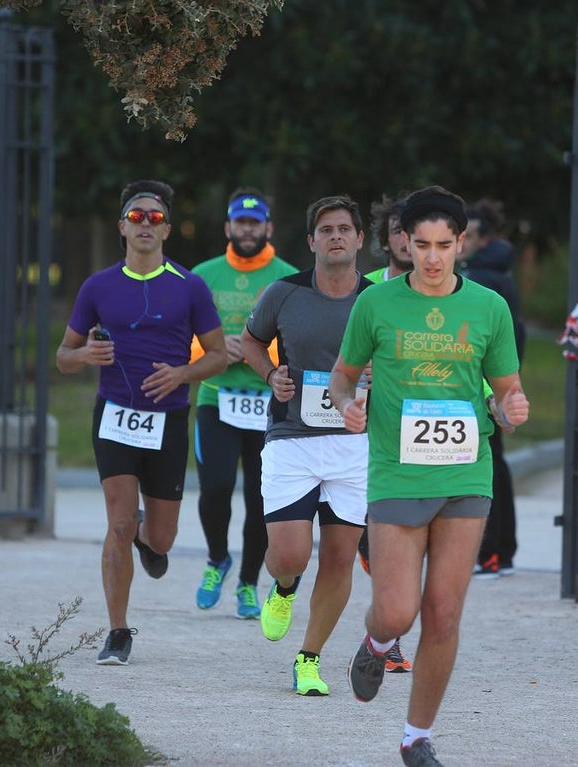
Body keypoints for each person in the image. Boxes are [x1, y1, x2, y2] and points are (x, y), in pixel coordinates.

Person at [330, 185, 529, 766]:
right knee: (397, 612)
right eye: (423, 245)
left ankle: (416, 736)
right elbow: (343, 377)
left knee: (443, 613)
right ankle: (375, 641)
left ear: (462, 243)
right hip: (397, 473)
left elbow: (506, 392)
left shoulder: (488, 308)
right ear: (404, 244)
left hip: (467, 472)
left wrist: (510, 410)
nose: (434, 257)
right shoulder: (377, 304)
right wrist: (347, 404)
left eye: (445, 244)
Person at [56, 180, 227, 666]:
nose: (146, 224)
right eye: (137, 217)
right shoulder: (99, 286)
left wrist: (182, 373)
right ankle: (117, 631)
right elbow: (62, 357)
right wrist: (85, 354)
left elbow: (217, 356)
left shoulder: (189, 285)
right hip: (114, 415)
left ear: (168, 229)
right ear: (122, 227)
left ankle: (145, 536)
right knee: (118, 521)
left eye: (155, 218)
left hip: (168, 419)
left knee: (162, 537)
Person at [240, 194, 371, 697]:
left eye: (345, 228)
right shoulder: (284, 292)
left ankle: (309, 659)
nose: (336, 236)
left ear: (360, 239)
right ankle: (285, 587)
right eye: (326, 229)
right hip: (292, 439)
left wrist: (382, 375)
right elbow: (251, 340)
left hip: (355, 443)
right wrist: (271, 373)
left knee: (339, 558)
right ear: (311, 241)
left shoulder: (378, 300)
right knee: (291, 555)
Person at [191, 188, 296, 619]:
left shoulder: (289, 278)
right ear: (228, 227)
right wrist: (215, 352)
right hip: (217, 398)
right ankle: (218, 558)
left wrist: (257, 354)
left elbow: (300, 346)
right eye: (240, 222)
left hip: (268, 405)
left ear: (268, 227)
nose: (247, 230)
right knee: (215, 487)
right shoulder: (202, 276)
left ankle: (250, 582)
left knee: (260, 499)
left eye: (255, 223)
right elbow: (181, 344)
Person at [357, 192, 414, 674]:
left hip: (413, 438)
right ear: (385, 237)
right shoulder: (364, 290)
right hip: (356, 434)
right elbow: (333, 356)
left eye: (410, 230)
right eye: (396, 229)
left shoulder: (455, 294)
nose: (404, 238)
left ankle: (387, 637)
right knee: (365, 541)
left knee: (400, 543)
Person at [460, 199, 525, 578]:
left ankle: (492, 553)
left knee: (489, 468)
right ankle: (501, 552)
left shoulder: (482, 281)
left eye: (467, 235)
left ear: (482, 240)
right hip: (498, 382)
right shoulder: (497, 272)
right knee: (497, 464)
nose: (459, 242)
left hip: (486, 386)